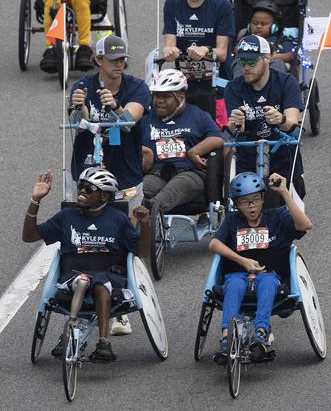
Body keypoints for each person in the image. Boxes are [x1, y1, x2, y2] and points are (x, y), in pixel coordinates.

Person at [22, 168, 150, 362]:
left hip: (108, 277)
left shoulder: (118, 219)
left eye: (89, 189)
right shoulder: (66, 217)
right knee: (85, 280)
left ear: (103, 195)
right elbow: (29, 236)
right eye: (80, 186)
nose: (81, 191)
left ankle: (103, 344)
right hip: (73, 275)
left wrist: (145, 224)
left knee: (100, 285)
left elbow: (141, 253)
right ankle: (70, 331)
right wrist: (36, 200)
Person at [70, 35, 151, 335]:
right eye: (113, 59)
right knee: (86, 241)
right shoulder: (82, 87)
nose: (119, 64)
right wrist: (80, 109)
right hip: (88, 176)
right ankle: (81, 295)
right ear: (98, 61)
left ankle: (122, 307)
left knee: (125, 242)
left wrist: (116, 107)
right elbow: (81, 124)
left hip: (125, 176)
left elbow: (130, 119)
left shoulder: (137, 87)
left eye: (122, 59)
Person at [210, 171, 312, 364]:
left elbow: (305, 224)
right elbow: (214, 244)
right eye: (245, 202)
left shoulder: (276, 217)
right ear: (237, 203)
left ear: (263, 198)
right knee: (233, 286)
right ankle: (226, 337)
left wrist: (284, 192)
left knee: (267, 283)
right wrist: (242, 261)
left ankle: (260, 334)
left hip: (268, 274)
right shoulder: (232, 220)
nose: (251, 206)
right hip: (238, 273)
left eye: (255, 200)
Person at [225, 34, 305, 204]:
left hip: (282, 154)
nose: (246, 67)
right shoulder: (233, 88)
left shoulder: (286, 82)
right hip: (248, 156)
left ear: (267, 58)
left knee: (289, 204)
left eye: (252, 62)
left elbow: (292, 123)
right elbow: (232, 132)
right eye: (241, 62)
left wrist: (280, 119)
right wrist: (235, 123)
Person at [162, 0, 236, 128]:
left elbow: (222, 53)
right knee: (185, 127)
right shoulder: (172, 4)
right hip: (185, 78)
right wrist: (170, 51)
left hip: (217, 79)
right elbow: (170, 43)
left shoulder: (222, 6)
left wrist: (206, 50)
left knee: (217, 129)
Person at [141, 69, 224, 213]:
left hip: (189, 172)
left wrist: (194, 151)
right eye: (156, 96)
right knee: (140, 189)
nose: (159, 101)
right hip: (157, 172)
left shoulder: (197, 114)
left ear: (180, 96)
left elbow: (217, 138)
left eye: (166, 96)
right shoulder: (147, 118)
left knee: (174, 188)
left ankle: (147, 212)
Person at [232, 1, 296, 77]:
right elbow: (236, 50)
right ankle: (239, 87)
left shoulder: (280, 39)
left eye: (263, 24)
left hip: (271, 65)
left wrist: (266, 56)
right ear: (249, 24)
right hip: (248, 65)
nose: (258, 26)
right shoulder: (245, 37)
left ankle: (275, 87)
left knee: (277, 63)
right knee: (238, 62)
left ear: (274, 27)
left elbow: (290, 55)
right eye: (255, 23)